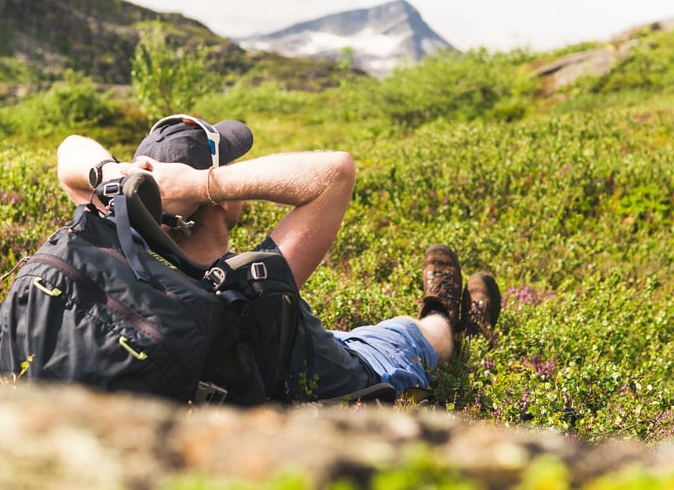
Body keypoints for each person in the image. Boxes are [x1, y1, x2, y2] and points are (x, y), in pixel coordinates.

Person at [56, 114, 500, 401]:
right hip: (342, 373)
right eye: (226, 165)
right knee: (408, 335)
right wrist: (200, 184)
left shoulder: (133, 259)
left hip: (284, 357)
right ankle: (449, 316)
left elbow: (68, 153)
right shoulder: (252, 283)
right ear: (223, 202)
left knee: (346, 331)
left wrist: (111, 173)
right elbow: (336, 172)